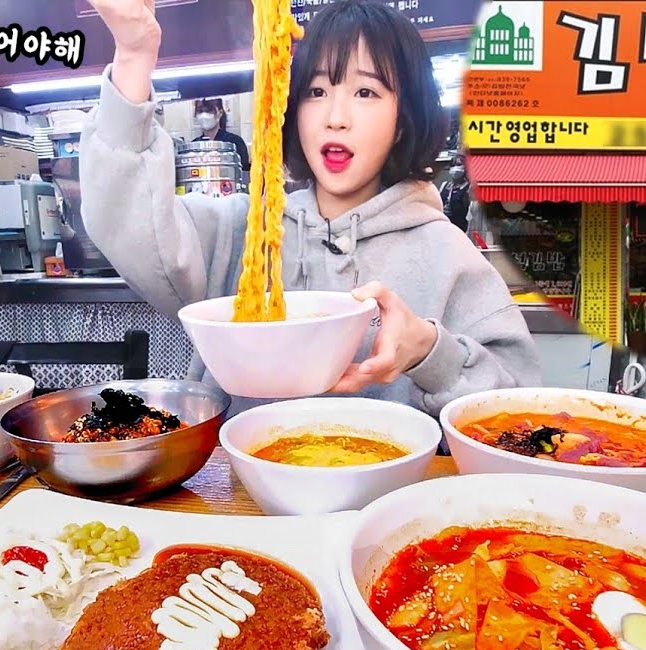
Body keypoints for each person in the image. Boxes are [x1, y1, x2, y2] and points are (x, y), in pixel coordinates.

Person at [79, 0, 541, 416]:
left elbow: (518, 410)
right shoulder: (242, 232)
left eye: (366, 93)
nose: (335, 117)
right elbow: (126, 221)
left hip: (389, 482)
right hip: (235, 481)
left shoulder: (446, 252)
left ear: (402, 121)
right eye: (316, 91)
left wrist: (428, 352)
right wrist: (134, 54)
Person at [192, 98, 251, 172]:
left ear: (220, 113)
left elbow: (243, 173)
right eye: (200, 111)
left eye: (209, 110)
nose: (204, 115)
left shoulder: (235, 142)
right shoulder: (193, 146)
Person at [439, 160, 470, 233]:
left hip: (461, 228)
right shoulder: (445, 185)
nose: (455, 168)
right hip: (445, 226)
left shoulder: (468, 187)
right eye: (453, 165)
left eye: (459, 165)